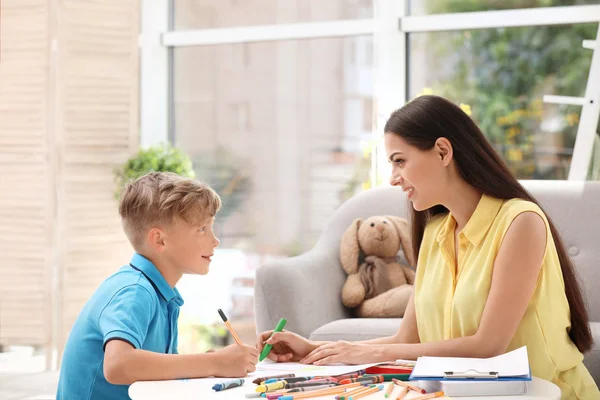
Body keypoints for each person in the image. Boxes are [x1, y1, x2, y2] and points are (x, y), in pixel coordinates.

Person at [257, 96, 599, 399]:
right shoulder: (436, 232)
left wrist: (365, 355)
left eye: (399, 160)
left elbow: (488, 346)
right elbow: (406, 337)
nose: (393, 177)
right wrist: (315, 349)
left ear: (443, 151)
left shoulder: (520, 222)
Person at [57, 172, 258, 400]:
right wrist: (212, 362)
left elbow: (158, 374)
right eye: (202, 229)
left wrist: (212, 363)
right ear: (160, 240)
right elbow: (118, 365)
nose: (215, 240)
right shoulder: (134, 291)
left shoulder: (158, 292)